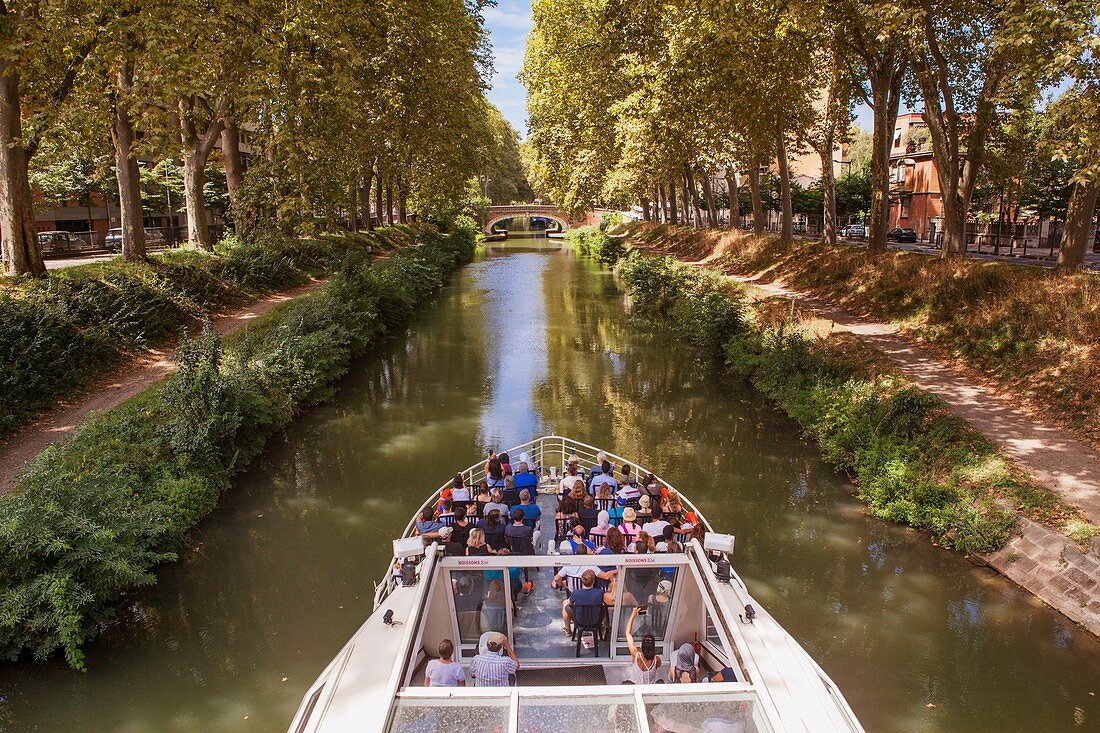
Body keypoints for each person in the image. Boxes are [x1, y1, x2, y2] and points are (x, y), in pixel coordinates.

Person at [560, 569, 603, 636]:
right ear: (593, 581)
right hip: (596, 621)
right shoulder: (600, 593)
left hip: (580, 622)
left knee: (565, 604)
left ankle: (567, 629)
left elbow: (569, 603)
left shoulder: (576, 593)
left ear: (582, 581)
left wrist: (566, 602)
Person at [625, 607, 662, 684]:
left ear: (641, 645)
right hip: (649, 692)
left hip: (636, 689)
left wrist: (633, 615)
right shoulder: (657, 660)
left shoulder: (636, 655)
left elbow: (628, 633)